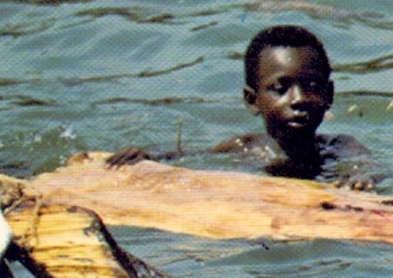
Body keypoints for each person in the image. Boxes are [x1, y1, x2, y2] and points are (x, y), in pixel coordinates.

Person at [109, 25, 379, 189]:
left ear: (329, 94)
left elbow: (373, 168)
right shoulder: (243, 148)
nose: (299, 99)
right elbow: (186, 158)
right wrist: (146, 157)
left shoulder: (341, 147)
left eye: (311, 85)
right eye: (280, 88)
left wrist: (363, 178)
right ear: (252, 101)